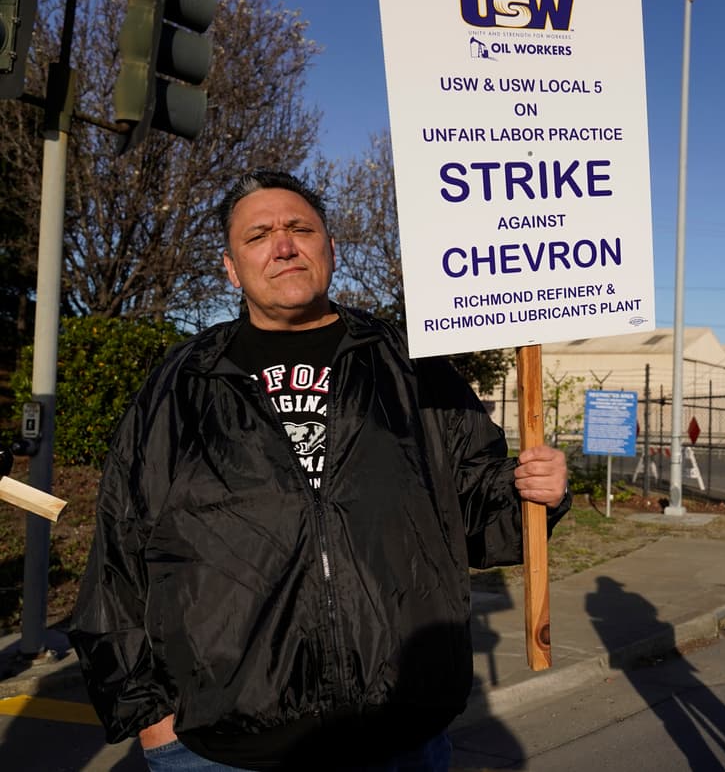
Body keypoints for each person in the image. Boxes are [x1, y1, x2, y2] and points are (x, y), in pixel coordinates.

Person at [69, 169, 571, 772]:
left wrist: (532, 492)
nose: (283, 245)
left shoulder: (409, 368)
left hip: (397, 736)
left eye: (300, 228)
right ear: (231, 267)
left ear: (330, 248)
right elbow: (119, 553)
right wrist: (148, 715)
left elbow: (478, 513)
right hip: (223, 748)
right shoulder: (181, 386)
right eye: (258, 236)